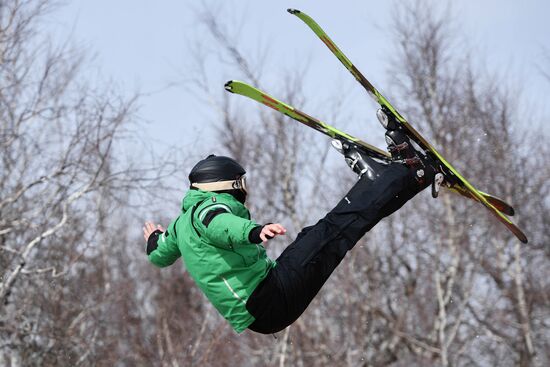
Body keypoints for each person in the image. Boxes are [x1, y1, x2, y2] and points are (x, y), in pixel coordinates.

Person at [143, 126, 438, 334]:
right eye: (242, 184)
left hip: (265, 306)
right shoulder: (208, 209)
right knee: (331, 230)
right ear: (227, 185)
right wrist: (254, 231)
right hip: (269, 298)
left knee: (332, 234)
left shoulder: (182, 225)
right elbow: (222, 225)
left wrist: (154, 240)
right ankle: (403, 170)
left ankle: (412, 178)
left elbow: (159, 255)